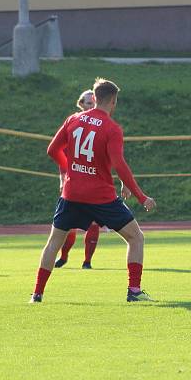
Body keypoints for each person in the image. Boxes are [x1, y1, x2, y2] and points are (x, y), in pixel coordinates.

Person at [31, 78, 156, 303]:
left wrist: (71, 170)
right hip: (101, 197)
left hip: (71, 194)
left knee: (53, 243)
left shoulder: (73, 119)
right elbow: (119, 164)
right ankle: (134, 291)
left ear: (94, 98)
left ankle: (37, 294)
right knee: (136, 237)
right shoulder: (112, 128)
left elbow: (52, 150)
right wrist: (141, 196)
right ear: (114, 101)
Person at [53, 89, 131, 270]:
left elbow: (115, 159)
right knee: (67, 228)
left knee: (94, 224)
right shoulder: (74, 122)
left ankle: (87, 261)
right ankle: (64, 256)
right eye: (87, 103)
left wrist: (123, 181)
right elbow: (60, 152)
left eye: (92, 102)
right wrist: (64, 176)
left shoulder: (101, 126)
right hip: (74, 185)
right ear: (81, 104)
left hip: (95, 187)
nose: (90, 105)